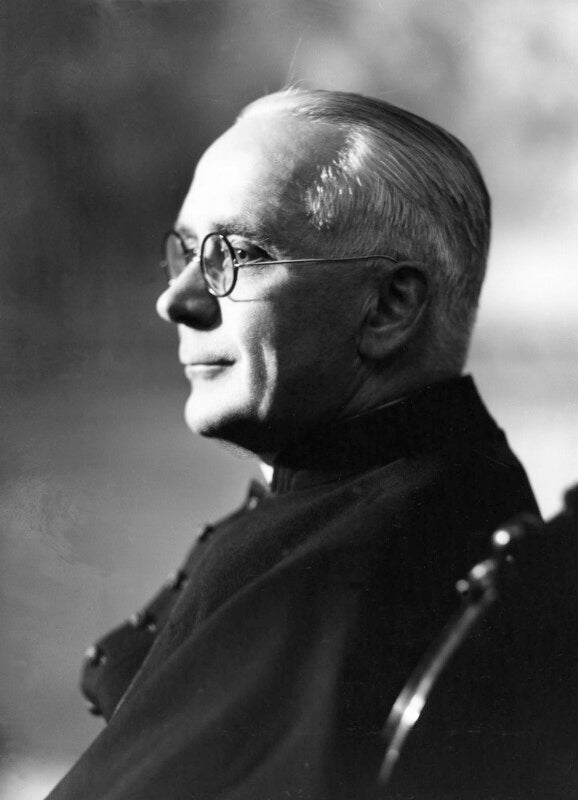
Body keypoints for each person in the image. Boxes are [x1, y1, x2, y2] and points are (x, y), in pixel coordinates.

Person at [45, 88, 576, 800]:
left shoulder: (365, 579)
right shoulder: (433, 494)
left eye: (237, 254)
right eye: (186, 252)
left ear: (390, 306)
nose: (177, 299)